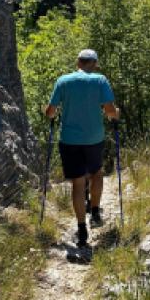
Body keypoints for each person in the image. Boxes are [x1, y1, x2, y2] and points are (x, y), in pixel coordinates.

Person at [45, 49, 119, 248]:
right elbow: (110, 111)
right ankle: (94, 212)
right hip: (94, 139)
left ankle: (81, 228)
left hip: (69, 140)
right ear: (94, 63)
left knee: (77, 184)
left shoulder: (63, 81)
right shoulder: (100, 80)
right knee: (96, 173)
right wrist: (115, 115)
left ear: (78, 62)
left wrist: (51, 114)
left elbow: (50, 112)